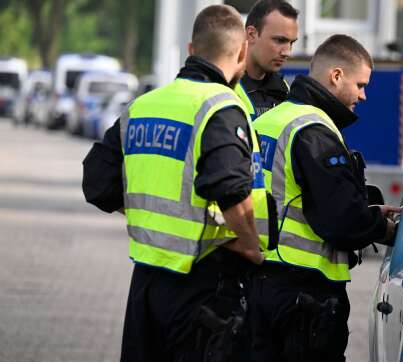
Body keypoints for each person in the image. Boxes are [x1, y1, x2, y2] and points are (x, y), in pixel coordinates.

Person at [81, 5, 270, 361]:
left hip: (147, 284)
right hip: (204, 284)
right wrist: (250, 247)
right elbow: (230, 187)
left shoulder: (142, 106)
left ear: (191, 49)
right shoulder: (220, 107)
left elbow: (97, 181)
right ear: (243, 50)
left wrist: (149, 216)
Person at [249, 34, 400, 362]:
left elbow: (295, 197)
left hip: (256, 282)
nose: (363, 95)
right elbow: (340, 218)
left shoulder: (267, 121)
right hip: (303, 294)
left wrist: (368, 211)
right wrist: (382, 226)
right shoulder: (315, 131)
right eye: (360, 84)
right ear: (336, 76)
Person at [235, 0, 299, 120]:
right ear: (251, 34)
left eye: (291, 42)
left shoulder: (284, 90)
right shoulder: (222, 85)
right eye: (279, 40)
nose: (287, 52)